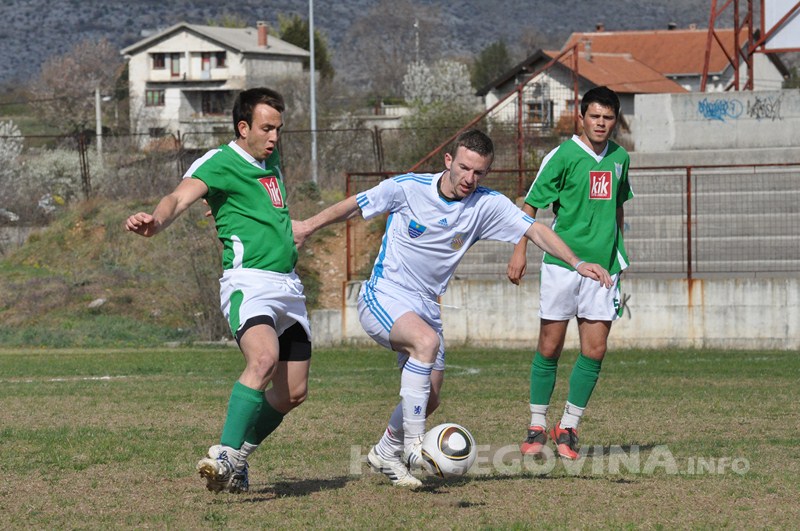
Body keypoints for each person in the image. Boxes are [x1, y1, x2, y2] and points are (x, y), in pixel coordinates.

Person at [293, 129, 612, 488]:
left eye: (478, 173)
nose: (469, 178)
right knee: (425, 343)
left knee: (430, 398)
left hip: (427, 305)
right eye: (463, 168)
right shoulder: (408, 188)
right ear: (448, 161)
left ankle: (385, 451)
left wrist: (576, 261)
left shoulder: (485, 204)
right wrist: (307, 226)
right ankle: (414, 446)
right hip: (384, 294)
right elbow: (354, 204)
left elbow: (536, 230)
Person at [125, 87, 312, 494]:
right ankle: (225, 453)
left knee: (293, 393)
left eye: (279, 129)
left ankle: (238, 459)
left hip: (289, 287)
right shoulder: (220, 162)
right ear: (242, 128)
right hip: (250, 282)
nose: (275, 137)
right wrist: (155, 222)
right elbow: (177, 198)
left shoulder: (269, 155)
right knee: (263, 358)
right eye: (266, 128)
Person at [506, 86, 634, 460]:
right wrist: (520, 250)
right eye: (595, 116)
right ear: (582, 117)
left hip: (604, 270)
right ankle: (536, 424)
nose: (601, 123)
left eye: (608, 118)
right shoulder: (562, 155)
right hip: (563, 266)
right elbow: (529, 205)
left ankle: (569, 427)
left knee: (595, 350)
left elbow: (618, 207)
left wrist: (619, 252)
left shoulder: (621, 158)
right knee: (550, 345)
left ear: (615, 121)